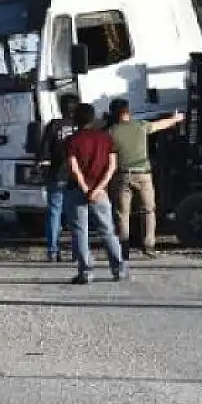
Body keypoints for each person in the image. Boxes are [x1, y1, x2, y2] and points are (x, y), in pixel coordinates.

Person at [106, 98, 184, 259]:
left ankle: (124, 248)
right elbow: (159, 125)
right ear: (128, 111)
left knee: (122, 213)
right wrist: (175, 119)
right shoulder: (140, 126)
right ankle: (149, 245)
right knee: (148, 210)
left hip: (121, 175)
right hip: (143, 174)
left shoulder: (110, 132)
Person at [66, 102, 127, 284]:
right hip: (100, 192)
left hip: (78, 191)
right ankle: (119, 269)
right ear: (93, 118)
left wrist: (85, 189)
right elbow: (112, 166)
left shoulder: (72, 140)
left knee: (80, 232)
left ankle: (86, 272)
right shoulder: (106, 138)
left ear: (76, 119)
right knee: (107, 230)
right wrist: (99, 188)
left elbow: (73, 168)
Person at [37, 93, 80, 262]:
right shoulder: (82, 127)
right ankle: (78, 252)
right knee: (77, 215)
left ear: (61, 108)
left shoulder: (54, 126)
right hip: (76, 177)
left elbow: (44, 152)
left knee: (54, 212)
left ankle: (53, 251)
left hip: (56, 175)